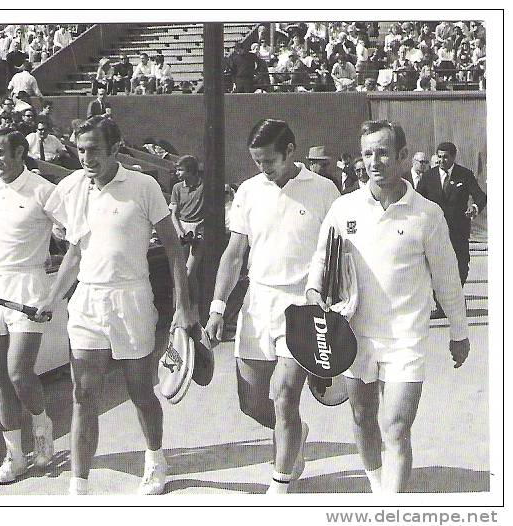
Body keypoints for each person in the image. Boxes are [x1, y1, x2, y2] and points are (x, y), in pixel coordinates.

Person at [305, 120, 470, 493]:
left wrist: (459, 332)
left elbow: (447, 279)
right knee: (363, 419)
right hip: (355, 336)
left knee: (395, 426)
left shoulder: (427, 214)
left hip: (405, 340)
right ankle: (379, 488)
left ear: (402, 156)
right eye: (367, 153)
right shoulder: (343, 208)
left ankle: (390, 506)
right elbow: (321, 260)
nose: (374, 162)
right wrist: (314, 293)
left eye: (382, 153)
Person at [40, 116, 196, 495]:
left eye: (94, 149)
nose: (86, 157)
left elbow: (174, 249)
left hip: (132, 299)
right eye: (81, 150)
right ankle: (79, 485)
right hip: (88, 302)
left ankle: (155, 460)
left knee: (140, 390)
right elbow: (75, 252)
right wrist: (51, 297)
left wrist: (183, 306)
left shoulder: (144, 186)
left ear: (115, 149)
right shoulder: (72, 187)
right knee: (83, 394)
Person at [205, 119, 340, 495]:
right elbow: (234, 255)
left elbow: (338, 252)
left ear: (291, 151)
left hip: (302, 303)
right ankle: (294, 435)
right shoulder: (249, 191)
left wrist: (336, 305)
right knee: (253, 403)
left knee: (283, 393)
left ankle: (279, 486)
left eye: (269, 161)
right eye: (257, 161)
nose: (263, 169)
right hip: (258, 303)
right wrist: (218, 307)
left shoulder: (324, 189)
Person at [0, 126, 58, 484]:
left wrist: (58, 286)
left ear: (20, 152)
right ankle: (14, 456)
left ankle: (41, 424)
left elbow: (75, 236)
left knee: (19, 371)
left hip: (28, 287)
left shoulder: (44, 190)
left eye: (1, 154)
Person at [418, 141, 487, 291]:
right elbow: (417, 199)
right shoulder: (429, 176)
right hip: (434, 230)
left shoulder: (465, 175)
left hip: (458, 231)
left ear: (454, 157)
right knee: (434, 266)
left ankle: (455, 293)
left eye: (446, 157)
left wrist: (474, 208)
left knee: (461, 265)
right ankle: (439, 301)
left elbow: (481, 196)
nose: (442, 161)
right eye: (440, 157)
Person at [169, 155, 204, 303]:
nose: (177, 173)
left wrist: (200, 229)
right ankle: (179, 308)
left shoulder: (204, 186)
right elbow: (174, 214)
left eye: (180, 170)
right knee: (179, 274)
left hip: (199, 230)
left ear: (191, 171)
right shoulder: (177, 188)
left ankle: (195, 308)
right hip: (181, 228)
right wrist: (180, 231)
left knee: (190, 273)